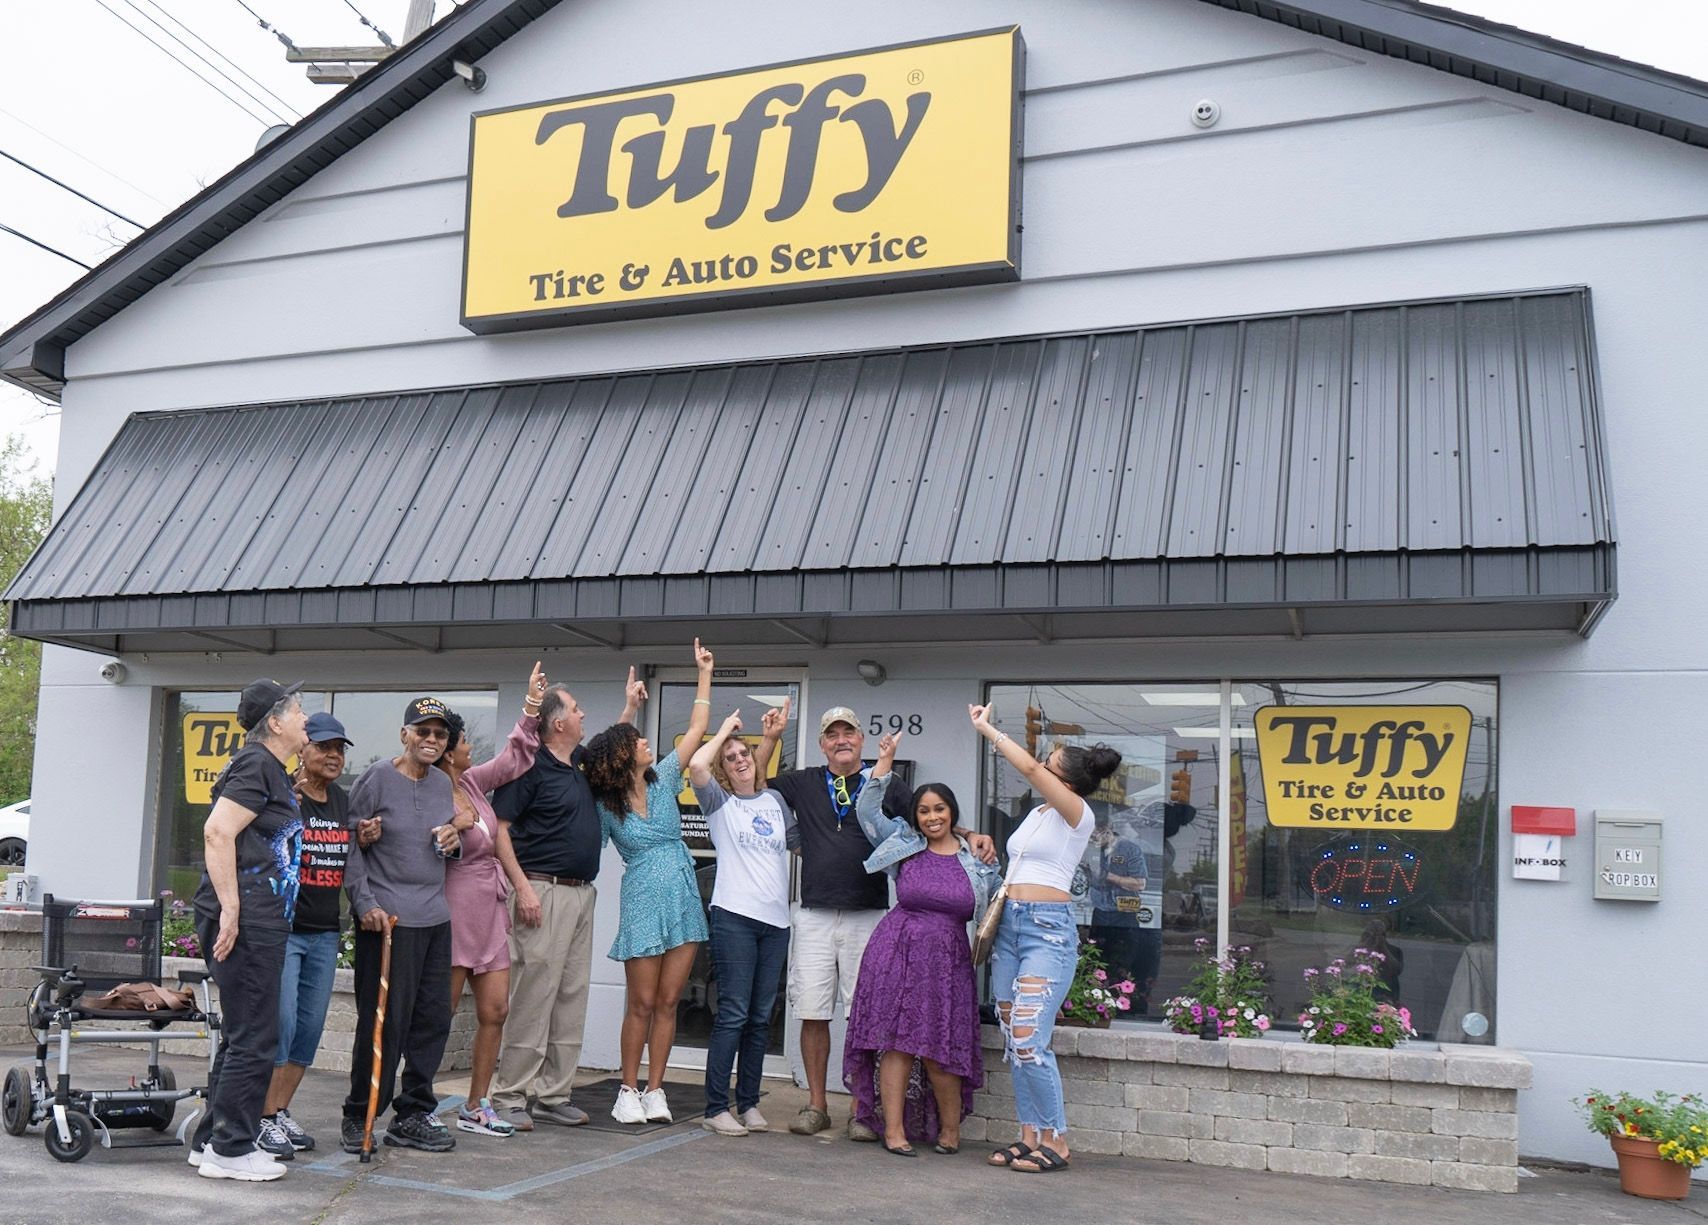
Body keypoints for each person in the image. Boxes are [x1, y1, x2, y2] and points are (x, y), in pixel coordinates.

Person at [755, 701, 994, 1139]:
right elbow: (752, 783)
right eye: (832, 734)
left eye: (849, 733)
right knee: (812, 1011)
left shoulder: (888, 785)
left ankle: (862, 1111)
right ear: (822, 743)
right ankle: (816, 1105)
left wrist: (969, 834)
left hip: (873, 917)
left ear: (861, 738)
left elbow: (931, 817)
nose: (841, 740)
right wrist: (770, 739)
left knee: (870, 1016)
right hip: (813, 913)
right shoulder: (805, 781)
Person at [489, 669, 645, 1131]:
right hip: (541, 891)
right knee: (534, 996)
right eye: (576, 710)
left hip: (580, 894)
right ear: (557, 722)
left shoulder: (578, 762)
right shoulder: (527, 766)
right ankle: (510, 1095)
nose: (582, 715)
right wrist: (522, 889)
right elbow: (500, 831)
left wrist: (631, 708)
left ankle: (554, 1094)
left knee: (571, 996)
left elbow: (612, 751)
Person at [970, 702, 1122, 1175]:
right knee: (1015, 1041)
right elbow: (1024, 860)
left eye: (1050, 764)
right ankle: (1028, 1135)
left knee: (1030, 1039)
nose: (1039, 766)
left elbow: (1031, 767)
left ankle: (1057, 1139)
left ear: (1067, 780)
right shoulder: (1038, 814)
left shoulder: (1078, 814)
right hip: (1012, 925)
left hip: (1047, 931)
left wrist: (988, 730)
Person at [844, 732, 1000, 1157]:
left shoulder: (979, 860)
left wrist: (972, 835)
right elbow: (866, 810)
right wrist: (884, 762)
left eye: (940, 810)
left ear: (952, 813)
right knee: (896, 1044)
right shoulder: (904, 843)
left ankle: (950, 1131)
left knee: (939, 1048)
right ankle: (893, 1131)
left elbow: (1000, 911)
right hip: (895, 952)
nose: (932, 818)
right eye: (925, 811)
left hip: (948, 961)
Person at [582, 640, 715, 1125]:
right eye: (635, 739)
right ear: (621, 756)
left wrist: (703, 672)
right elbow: (600, 758)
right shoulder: (605, 803)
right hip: (641, 897)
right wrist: (627, 708)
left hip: (682, 892)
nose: (646, 742)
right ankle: (627, 1089)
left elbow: (698, 728)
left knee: (667, 1001)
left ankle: (656, 1091)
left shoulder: (663, 775)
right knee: (639, 1002)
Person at [190, 678, 308, 1182]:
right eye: (299, 710)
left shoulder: (272, 770)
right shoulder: (257, 763)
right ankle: (232, 1150)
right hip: (248, 920)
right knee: (257, 1036)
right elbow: (217, 831)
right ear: (275, 722)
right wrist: (232, 909)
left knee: (245, 1033)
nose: (307, 719)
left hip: (262, 918)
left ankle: (209, 1142)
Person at [338, 697, 463, 1155]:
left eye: (440, 734)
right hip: (388, 919)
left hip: (434, 916)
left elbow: (444, 841)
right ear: (405, 734)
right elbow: (351, 843)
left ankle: (412, 1113)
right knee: (383, 1023)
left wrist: (453, 841)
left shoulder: (441, 784)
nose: (431, 740)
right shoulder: (377, 777)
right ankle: (360, 1113)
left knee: (432, 1020)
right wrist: (364, 903)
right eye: (423, 731)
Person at [437, 663, 548, 1138]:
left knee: (495, 1012)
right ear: (449, 749)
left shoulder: (473, 784)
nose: (469, 747)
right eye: (463, 742)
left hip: (490, 909)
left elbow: (512, 760)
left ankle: (476, 1105)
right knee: (438, 1015)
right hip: (455, 908)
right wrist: (451, 829)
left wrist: (531, 707)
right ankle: (414, 1100)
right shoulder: (428, 789)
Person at [688, 711, 797, 1137]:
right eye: (731, 757)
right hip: (735, 918)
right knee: (732, 1014)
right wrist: (725, 732)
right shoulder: (719, 805)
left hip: (776, 923)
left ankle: (749, 1102)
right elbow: (698, 766)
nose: (739, 759)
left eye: (744, 754)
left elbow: (800, 844)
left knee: (759, 1017)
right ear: (724, 769)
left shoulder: (773, 801)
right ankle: (716, 1107)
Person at [256, 711, 354, 1160]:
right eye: (324, 747)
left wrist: (366, 834)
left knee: (309, 1030)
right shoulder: (286, 797)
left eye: (339, 749)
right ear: (304, 749)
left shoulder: (344, 802)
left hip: (325, 932)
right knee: (284, 1023)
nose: (333, 756)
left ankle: (278, 1112)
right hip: (287, 930)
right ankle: (260, 1116)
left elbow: (354, 850)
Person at [1087, 809, 1159, 1014]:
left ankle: (1126, 1007)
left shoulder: (1130, 849)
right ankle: (1097, 1004)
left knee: (1123, 964)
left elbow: (1139, 884)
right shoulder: (1092, 850)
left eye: (1094, 836)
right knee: (1097, 963)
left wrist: (1110, 877)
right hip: (1100, 913)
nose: (1092, 840)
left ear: (1106, 830)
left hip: (1124, 916)